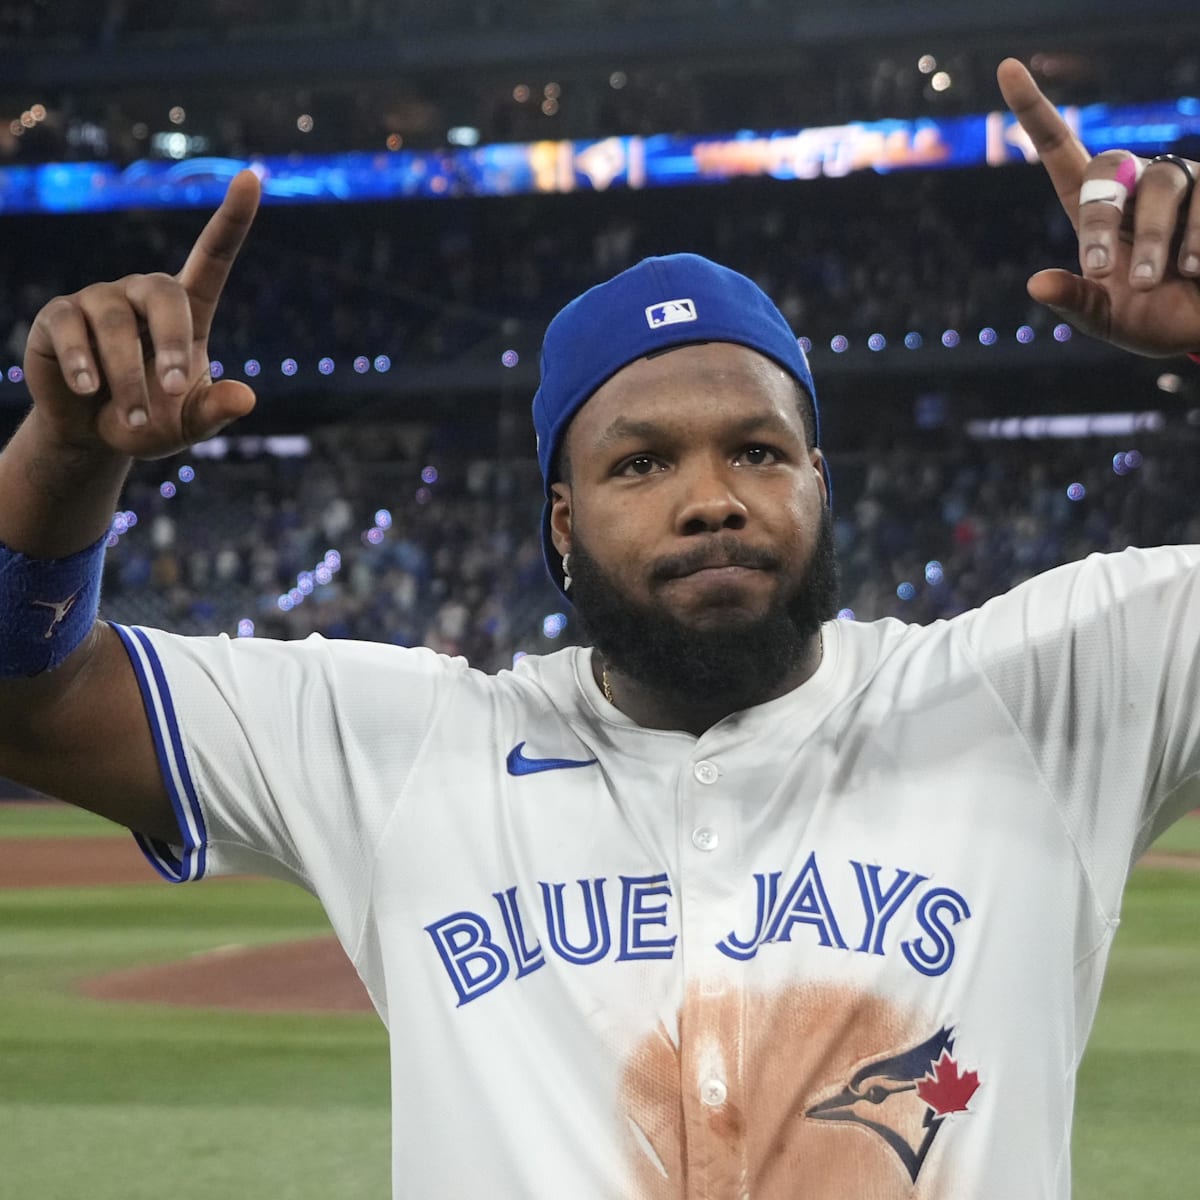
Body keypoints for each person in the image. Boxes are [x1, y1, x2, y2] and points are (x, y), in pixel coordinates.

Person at [0, 59, 1198, 1199]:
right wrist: (63, 455)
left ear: (820, 482)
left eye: (758, 451)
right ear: (561, 525)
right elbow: (29, 700)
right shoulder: (409, 753)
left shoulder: (1041, 694)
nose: (713, 494)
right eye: (641, 463)